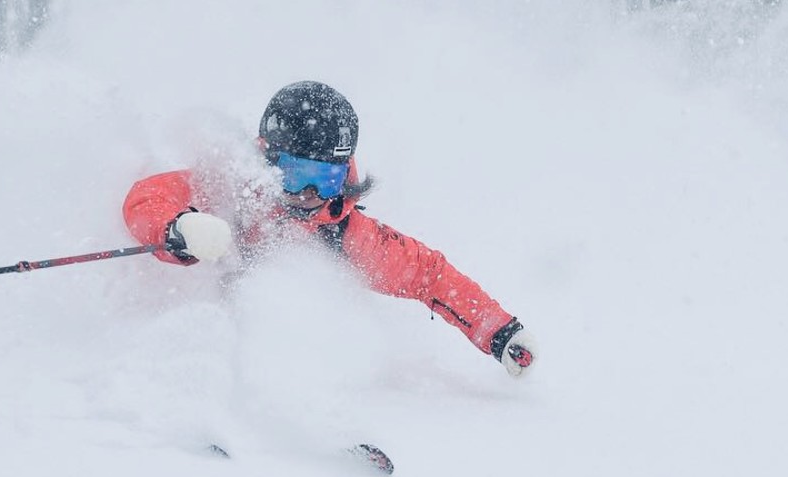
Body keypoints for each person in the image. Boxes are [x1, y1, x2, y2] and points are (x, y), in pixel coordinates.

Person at [121, 81, 535, 377]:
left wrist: (497, 332)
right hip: (175, 341)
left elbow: (429, 275)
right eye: (298, 173)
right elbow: (148, 196)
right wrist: (179, 226)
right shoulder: (227, 186)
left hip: (272, 361)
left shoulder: (340, 231)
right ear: (268, 159)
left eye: (328, 178)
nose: (311, 192)